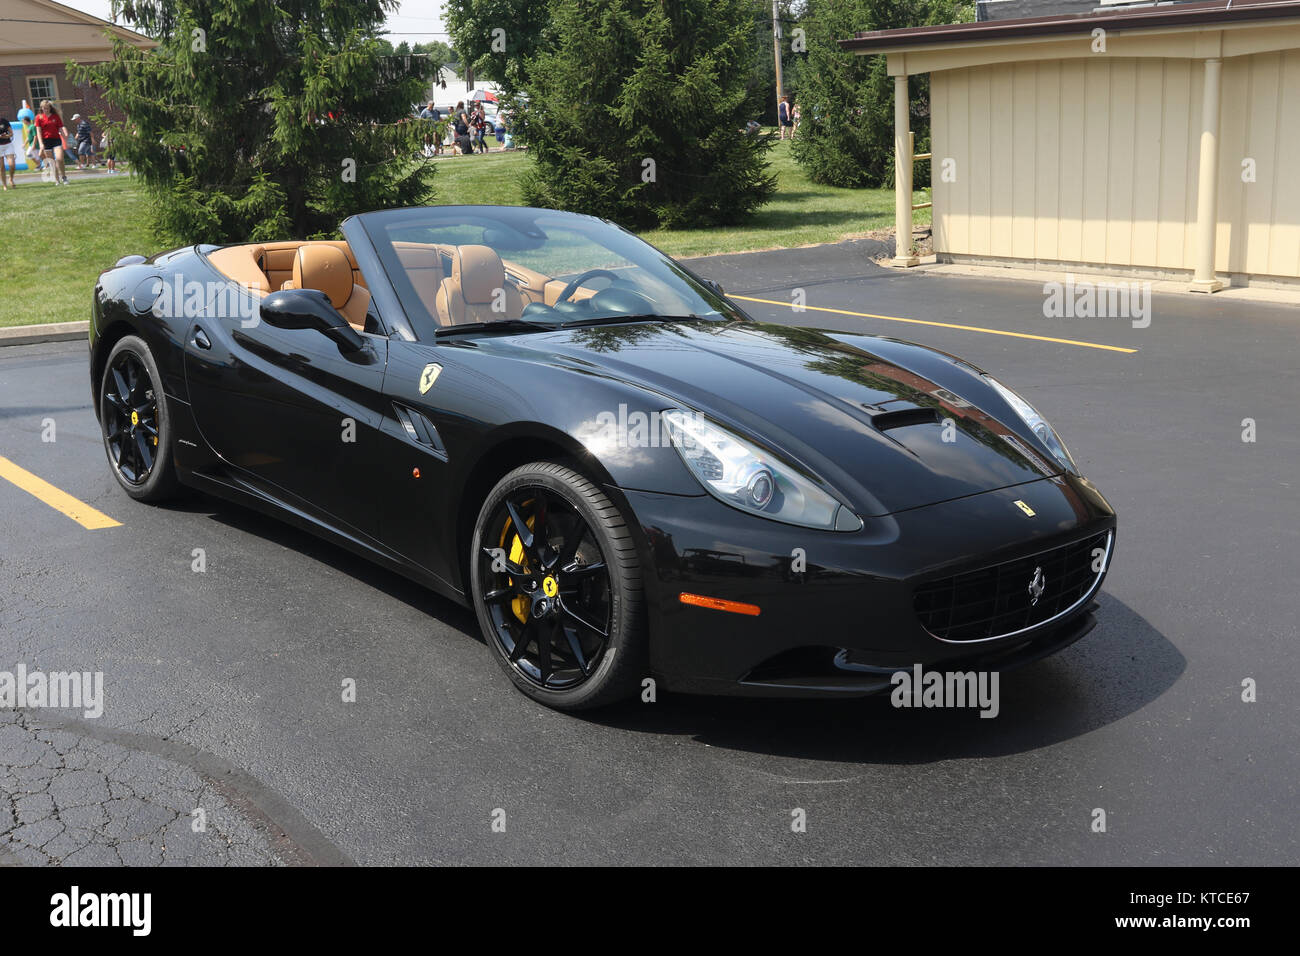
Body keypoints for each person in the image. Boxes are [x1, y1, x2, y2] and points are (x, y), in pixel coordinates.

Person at [34, 100, 69, 184]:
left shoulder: (55, 117)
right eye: (44, 108)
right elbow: (38, 132)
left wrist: (65, 140)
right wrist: (41, 144)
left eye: (47, 108)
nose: (46, 110)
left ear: (50, 108)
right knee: (51, 161)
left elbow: (60, 128)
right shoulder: (39, 117)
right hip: (46, 141)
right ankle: (57, 180)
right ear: (41, 108)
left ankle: (64, 177)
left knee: (60, 159)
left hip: (56, 140)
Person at [0, 112, 16, 190]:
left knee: (12, 165)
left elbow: (11, 134)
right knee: (1, 167)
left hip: (8, 144)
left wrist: (6, 136)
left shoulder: (4, 121)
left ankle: (11, 179)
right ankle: (5, 185)